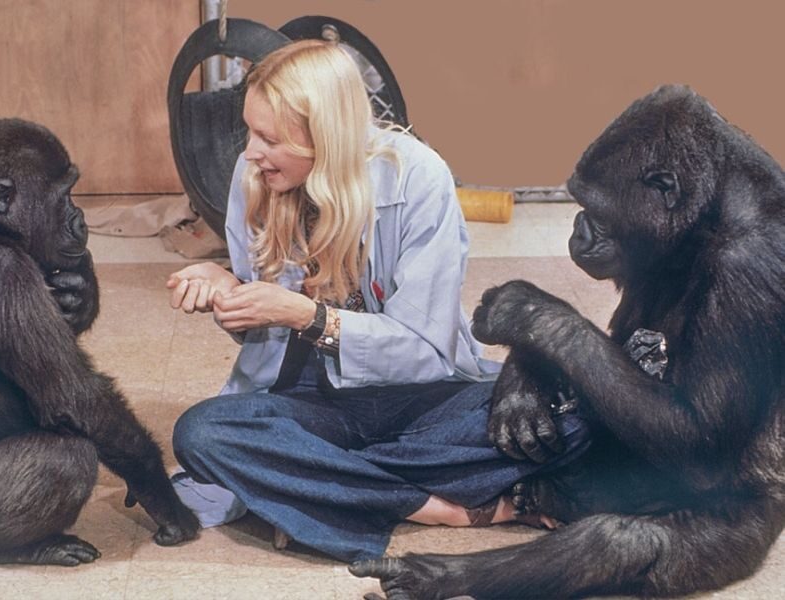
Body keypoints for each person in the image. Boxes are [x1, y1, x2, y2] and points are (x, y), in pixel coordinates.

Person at [167, 39, 589, 563]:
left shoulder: (420, 176)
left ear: (324, 135)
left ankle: (311, 480)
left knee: (574, 409)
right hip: (308, 400)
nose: (251, 151)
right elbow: (264, 329)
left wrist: (309, 316)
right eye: (250, 131)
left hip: (419, 396)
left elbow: (424, 350)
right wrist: (230, 288)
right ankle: (437, 505)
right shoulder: (256, 174)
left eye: (268, 137)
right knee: (203, 433)